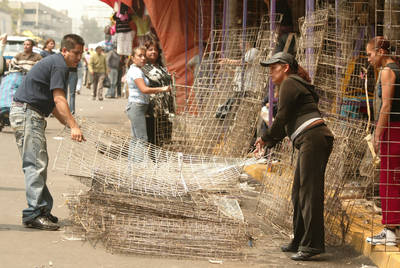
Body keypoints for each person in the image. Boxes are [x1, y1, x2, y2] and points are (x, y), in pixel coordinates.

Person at [254, 52, 334, 261]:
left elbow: (281, 119)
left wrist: (265, 138)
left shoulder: (289, 83)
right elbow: (283, 123)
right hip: (310, 140)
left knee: (309, 192)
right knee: (298, 192)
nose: (270, 73)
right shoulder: (292, 83)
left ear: (285, 68)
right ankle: (299, 240)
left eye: (274, 68)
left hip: (313, 138)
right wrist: (267, 140)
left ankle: (312, 245)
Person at [9, 34, 85, 231]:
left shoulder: (58, 64)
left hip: (29, 113)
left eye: (81, 53)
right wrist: (74, 125)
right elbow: (60, 99)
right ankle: (34, 213)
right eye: (76, 53)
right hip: (27, 113)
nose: (78, 57)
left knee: (38, 163)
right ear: (65, 50)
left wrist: (69, 125)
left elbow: (52, 105)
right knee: (35, 164)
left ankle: (42, 209)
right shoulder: (59, 64)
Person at [366, 36, 400, 246]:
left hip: (393, 129)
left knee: (388, 179)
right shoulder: (397, 68)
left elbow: (386, 106)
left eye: (370, 54)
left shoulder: (388, 71)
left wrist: (378, 135)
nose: (369, 59)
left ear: (380, 51)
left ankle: (389, 230)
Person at [125, 46, 170, 160]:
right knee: (142, 139)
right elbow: (144, 89)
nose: (143, 58)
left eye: (144, 55)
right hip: (137, 107)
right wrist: (163, 89)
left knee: (135, 139)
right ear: (133, 58)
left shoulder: (138, 69)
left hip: (138, 106)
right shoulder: (135, 71)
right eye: (139, 56)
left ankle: (132, 166)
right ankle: (137, 165)